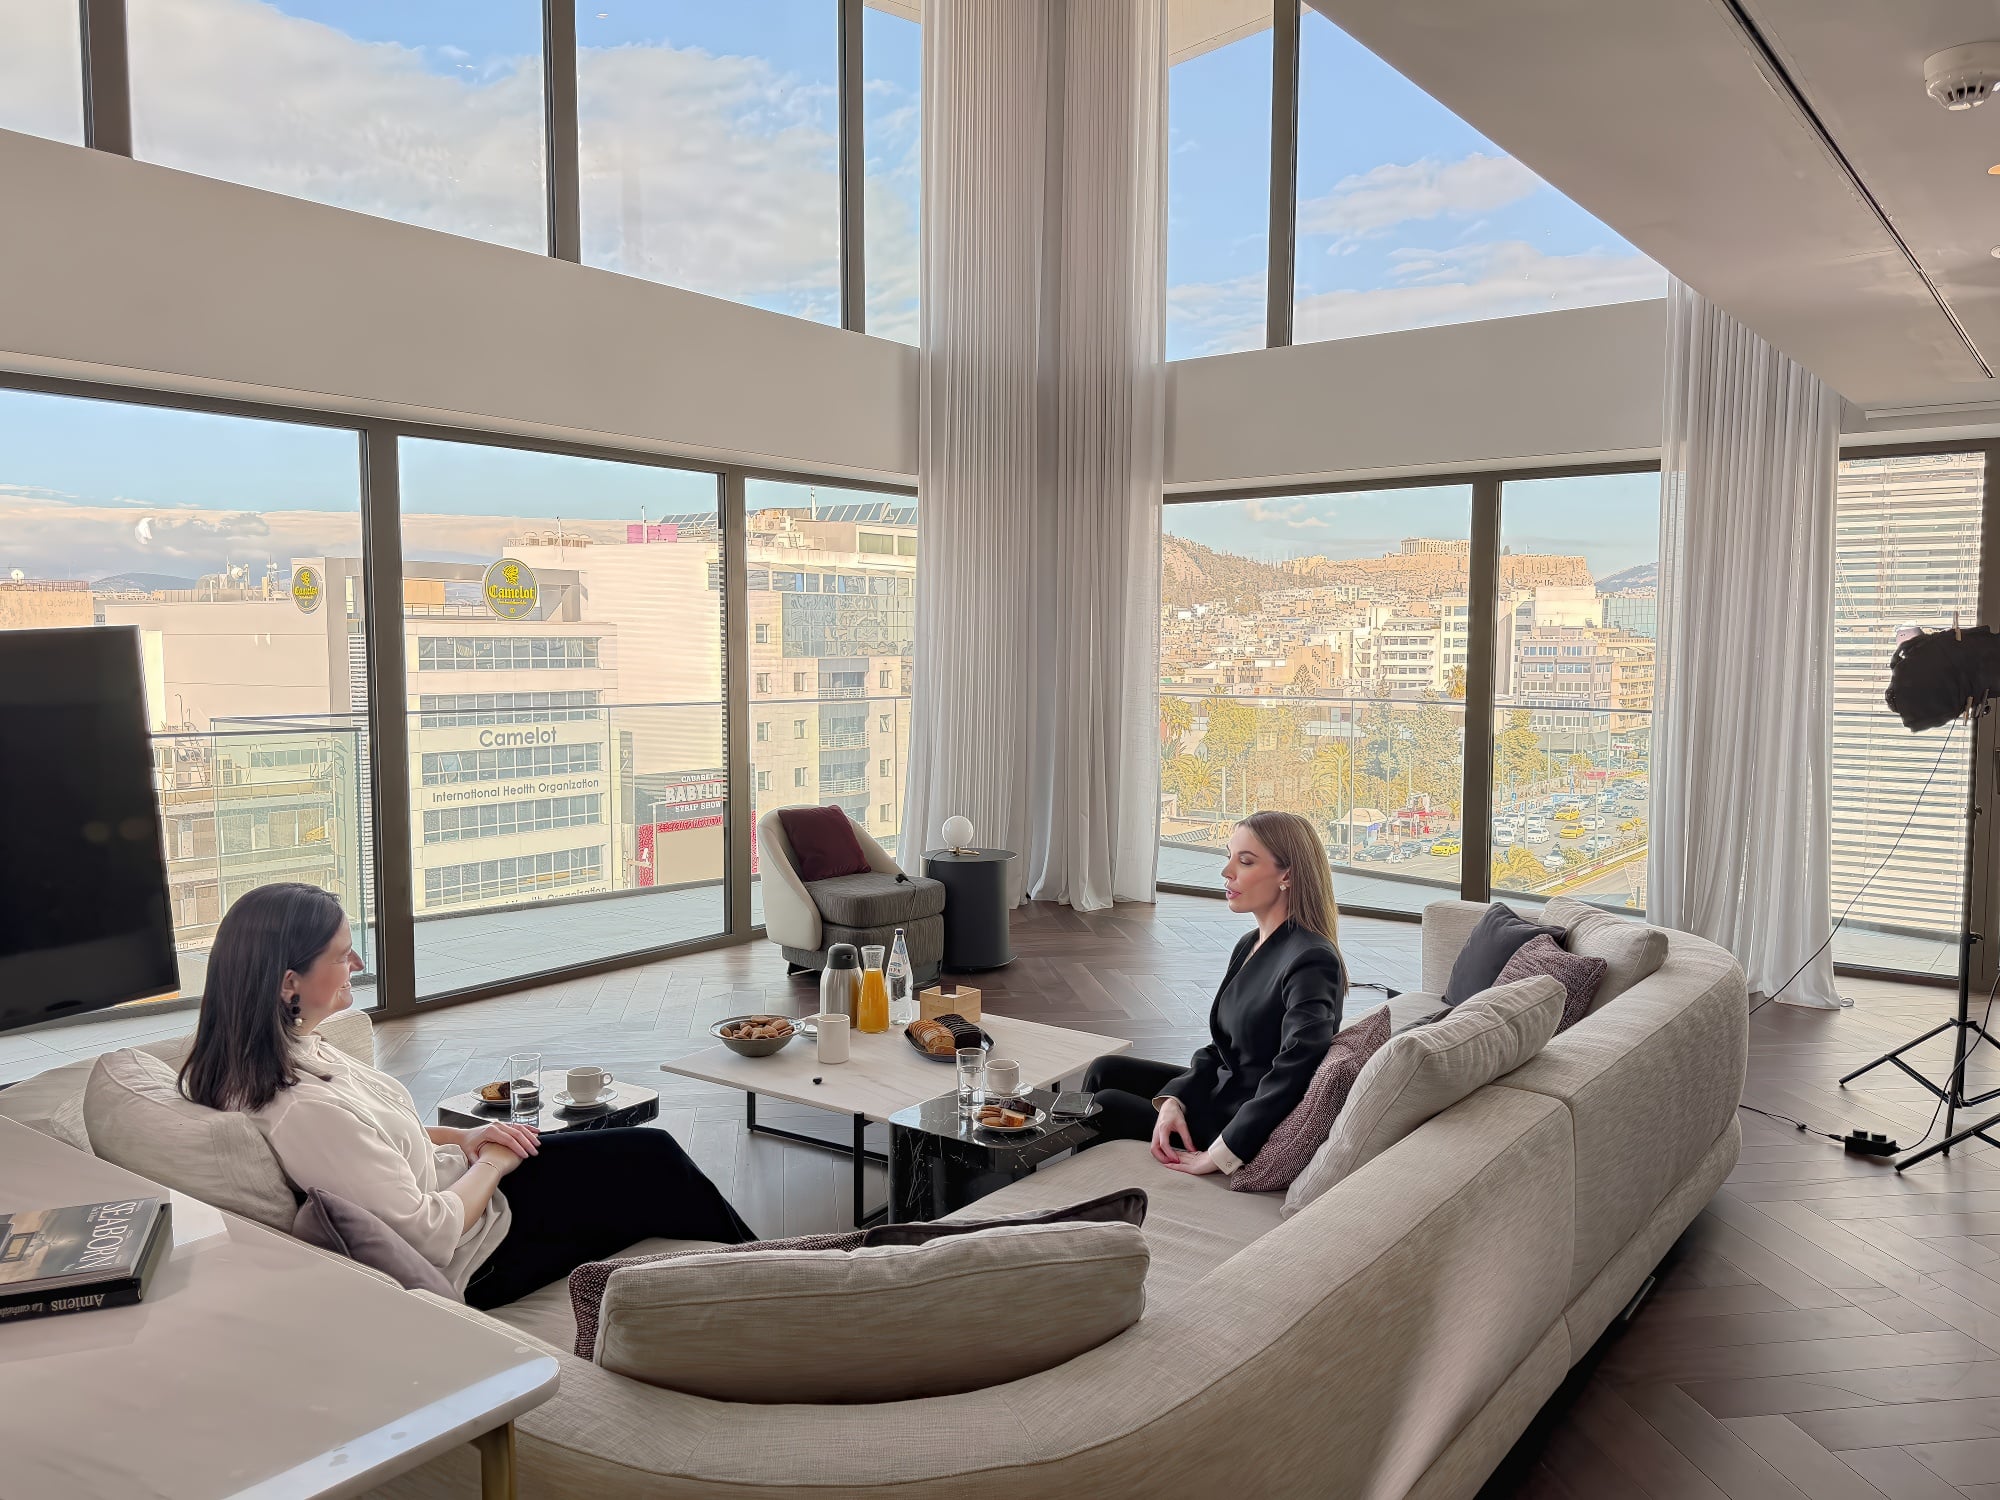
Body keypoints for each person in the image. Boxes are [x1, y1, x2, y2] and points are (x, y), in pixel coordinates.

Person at [179, 883, 756, 1309]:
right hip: (480, 1254)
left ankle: (776, 1275)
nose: (357, 963)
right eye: (340, 954)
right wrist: (494, 1163)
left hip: (471, 1192)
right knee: (654, 1167)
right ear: (289, 982)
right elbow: (429, 1235)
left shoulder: (284, 1052)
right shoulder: (302, 1109)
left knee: (647, 1154)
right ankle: (784, 1284)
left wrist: (463, 1135)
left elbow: (370, 1140)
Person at [1082, 810, 1346, 1176]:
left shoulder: (1312, 959)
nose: (1227, 871)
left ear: (1287, 875)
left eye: (1245, 861)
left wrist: (1221, 1153)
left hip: (1237, 1121)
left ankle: (1089, 1190)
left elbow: (1298, 1068)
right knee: (1106, 1069)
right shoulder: (1250, 943)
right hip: (1222, 1092)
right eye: (1229, 856)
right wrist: (1175, 1099)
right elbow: (1222, 1048)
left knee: (1106, 1105)